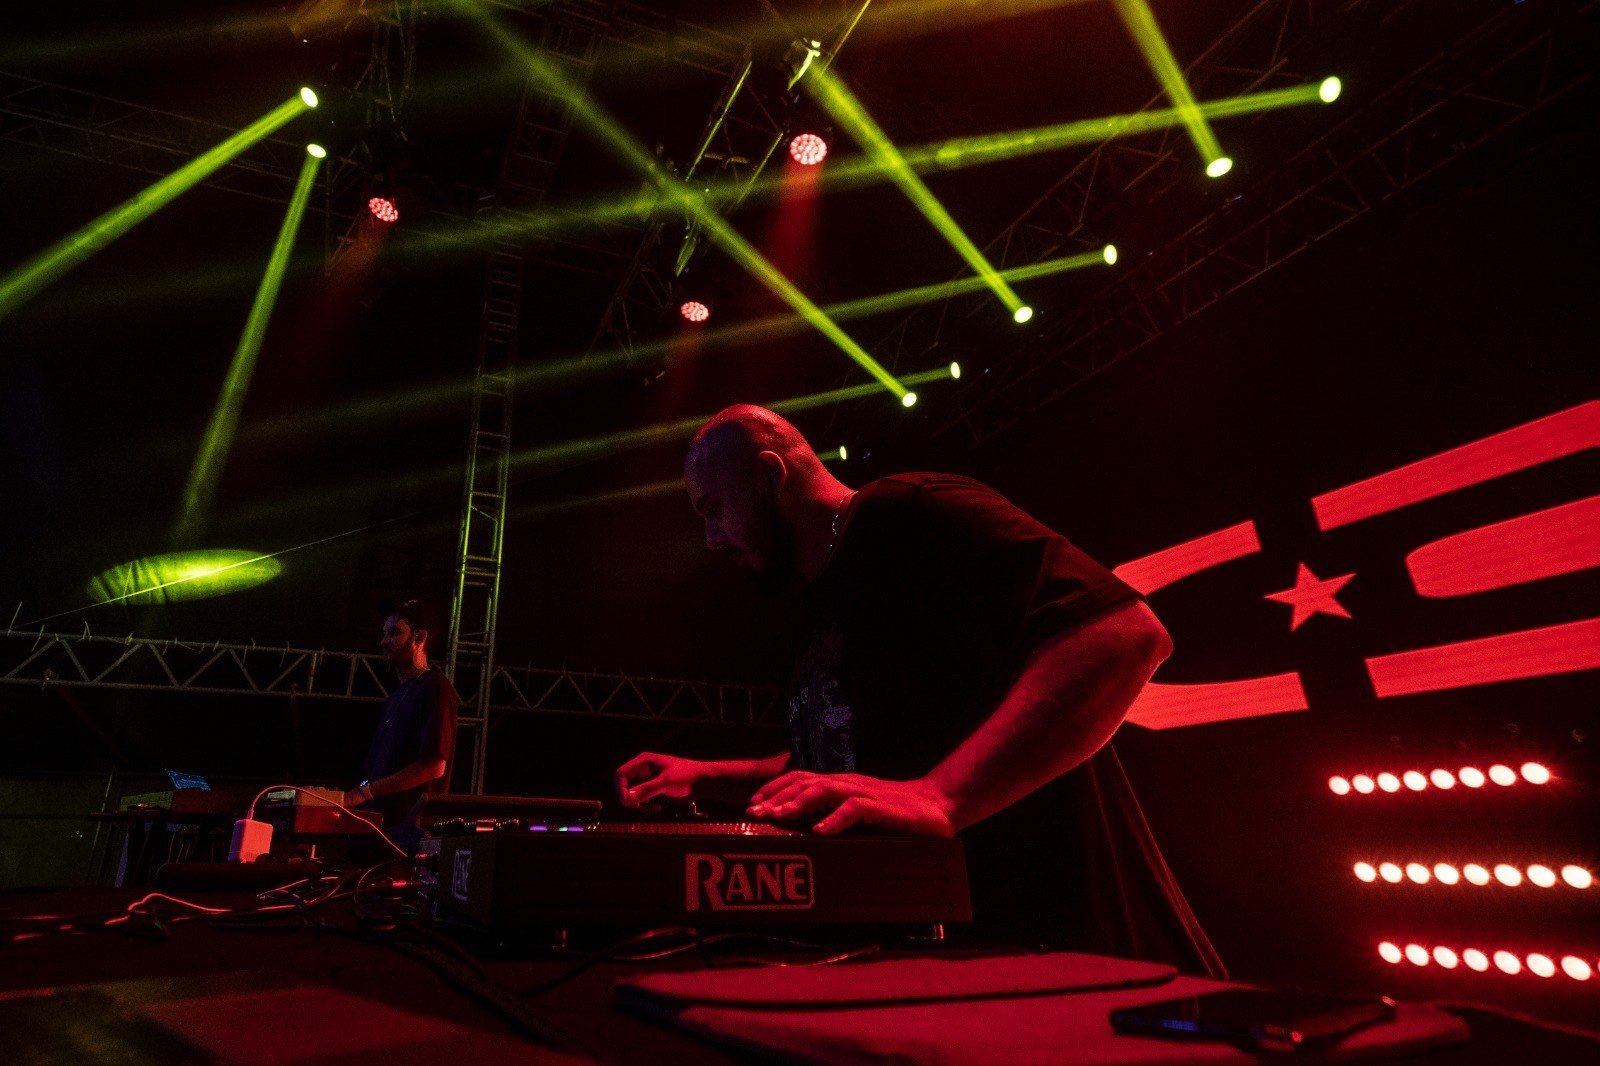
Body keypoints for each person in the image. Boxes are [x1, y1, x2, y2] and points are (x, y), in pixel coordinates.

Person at [616, 405, 1222, 970]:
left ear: (770, 476)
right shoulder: (814, 600)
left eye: (714, 509)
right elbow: (833, 766)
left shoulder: (910, 511)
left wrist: (941, 796)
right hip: (959, 957)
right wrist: (705, 776)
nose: (712, 539)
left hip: (1076, 951)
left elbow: (1125, 635)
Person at [348, 598, 458, 850]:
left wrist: (364, 793)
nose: (383, 641)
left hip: (404, 840)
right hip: (376, 831)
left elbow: (434, 766)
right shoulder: (396, 697)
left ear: (419, 638)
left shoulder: (434, 686)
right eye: (384, 633)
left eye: (394, 633)